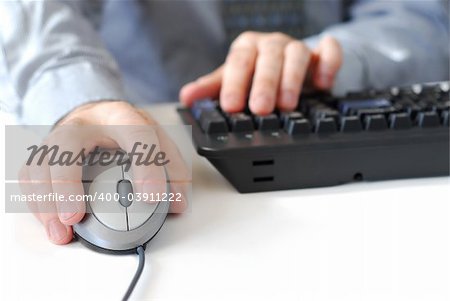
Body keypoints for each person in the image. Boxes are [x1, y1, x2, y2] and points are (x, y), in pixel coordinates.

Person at [1, 0, 448, 244]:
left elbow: (420, 15)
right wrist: (77, 98)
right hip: (143, 134)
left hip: (319, 117)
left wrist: (337, 57)